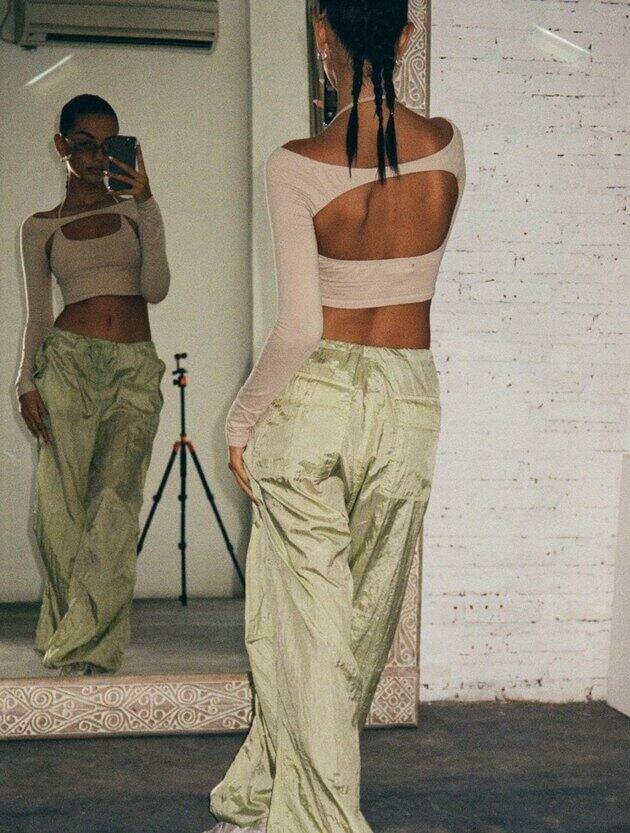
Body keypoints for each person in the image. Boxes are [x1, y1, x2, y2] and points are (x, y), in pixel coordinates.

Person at [207, 1, 465, 830]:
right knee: (355, 626)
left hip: (314, 402)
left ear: (322, 35)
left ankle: (315, 819)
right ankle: (266, 792)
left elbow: (299, 328)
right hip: (408, 401)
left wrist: (241, 421)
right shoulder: (449, 145)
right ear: (405, 36)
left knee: (304, 629)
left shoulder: (297, 163)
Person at [15, 94, 171, 675]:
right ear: (62, 145)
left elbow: (155, 289)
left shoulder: (135, 212)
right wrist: (24, 384)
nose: (96, 157)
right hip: (66, 368)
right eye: (84, 144)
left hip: (133, 370)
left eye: (108, 146)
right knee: (57, 513)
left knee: (114, 504)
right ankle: (69, 631)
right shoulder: (38, 228)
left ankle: (91, 643)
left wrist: (148, 203)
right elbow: (37, 316)